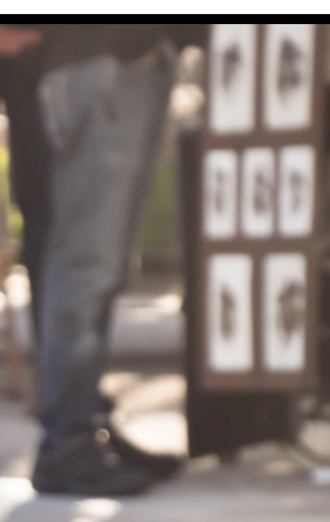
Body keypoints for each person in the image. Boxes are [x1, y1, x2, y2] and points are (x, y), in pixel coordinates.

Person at [27, 25, 203, 495]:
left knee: (105, 267)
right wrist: (134, 38)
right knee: (86, 264)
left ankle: (85, 427)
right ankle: (67, 445)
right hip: (105, 58)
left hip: (121, 59)